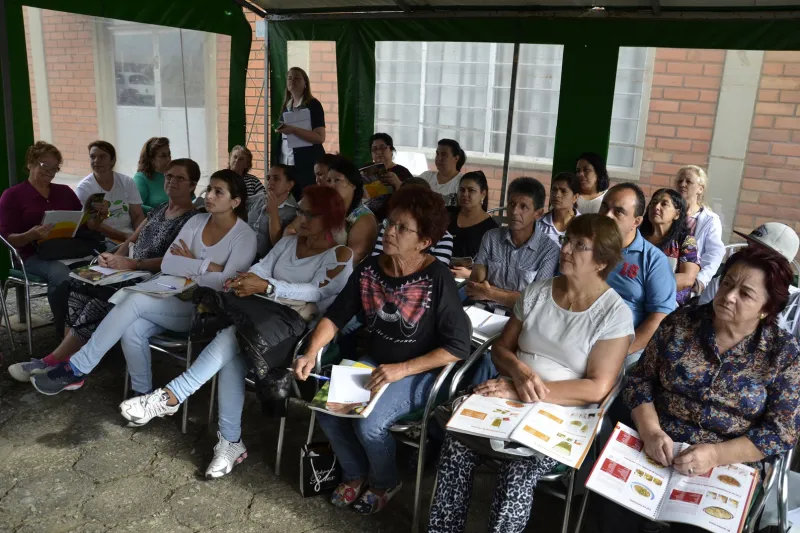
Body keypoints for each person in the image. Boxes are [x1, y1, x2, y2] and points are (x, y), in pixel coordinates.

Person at [118, 186, 353, 478]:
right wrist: (248, 280)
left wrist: (268, 287)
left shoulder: (340, 255)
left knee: (232, 336)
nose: (300, 217)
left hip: (294, 332)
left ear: (330, 218)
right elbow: (262, 268)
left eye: (309, 213)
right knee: (235, 342)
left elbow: (317, 292)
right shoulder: (288, 243)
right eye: (300, 211)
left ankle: (171, 396)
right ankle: (230, 441)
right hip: (260, 319)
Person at [428, 214, 634, 533]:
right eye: (568, 240)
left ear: (601, 261)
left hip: (565, 412)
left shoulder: (614, 314)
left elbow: (596, 388)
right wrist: (518, 371)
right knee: (456, 443)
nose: (566, 249)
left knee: (518, 471)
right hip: (510, 395)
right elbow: (501, 349)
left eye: (580, 245)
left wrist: (518, 389)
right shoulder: (538, 292)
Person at [293, 186, 471, 515]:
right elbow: (335, 317)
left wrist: (401, 370)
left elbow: (458, 346)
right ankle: (355, 473)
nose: (390, 231)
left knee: (368, 423)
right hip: (375, 362)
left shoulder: (438, 278)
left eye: (403, 228)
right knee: (328, 409)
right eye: (391, 223)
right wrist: (309, 351)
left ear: (424, 242)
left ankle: (384, 481)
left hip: (421, 371)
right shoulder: (370, 269)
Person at [602, 246, 800, 533]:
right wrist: (651, 431)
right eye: (728, 283)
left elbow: (781, 431)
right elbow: (640, 380)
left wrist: (715, 456)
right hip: (658, 446)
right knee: (614, 511)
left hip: (727, 461)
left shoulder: (783, 353)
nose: (729, 296)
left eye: (745, 294)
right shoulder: (681, 322)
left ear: (766, 308)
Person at [30, 170, 257, 395]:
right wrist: (206, 266)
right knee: (132, 328)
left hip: (204, 309)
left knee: (134, 299)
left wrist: (191, 262)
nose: (209, 196)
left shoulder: (244, 236)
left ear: (235, 201)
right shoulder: (197, 221)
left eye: (218, 192)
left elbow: (227, 283)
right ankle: (141, 394)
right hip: (170, 294)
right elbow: (168, 263)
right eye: (209, 189)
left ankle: (78, 367)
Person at [8, 159, 200, 382]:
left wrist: (133, 264)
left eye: (180, 178)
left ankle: (54, 361)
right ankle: (69, 360)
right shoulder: (159, 210)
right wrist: (114, 257)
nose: (172, 182)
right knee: (79, 285)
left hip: (156, 280)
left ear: (193, 185)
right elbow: (130, 240)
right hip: (131, 271)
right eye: (168, 176)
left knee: (101, 299)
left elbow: (175, 261)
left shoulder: (193, 219)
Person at [0, 142, 84, 338]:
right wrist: (31, 235)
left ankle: (89, 324)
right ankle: (65, 332)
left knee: (100, 268)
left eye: (55, 168)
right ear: (30, 164)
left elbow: (82, 222)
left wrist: (96, 216)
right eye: (46, 166)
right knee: (61, 275)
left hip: (67, 249)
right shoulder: (13, 196)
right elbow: (6, 238)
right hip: (31, 256)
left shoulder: (64, 191)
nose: (51, 172)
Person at [599, 183, 677, 366]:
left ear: (636, 221)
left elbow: (659, 317)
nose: (607, 215)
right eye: (604, 207)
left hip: (625, 345)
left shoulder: (654, 260)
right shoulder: (585, 246)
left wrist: (621, 351)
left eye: (618, 211)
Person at [467, 177, 560, 310]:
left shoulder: (549, 250)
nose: (515, 212)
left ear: (538, 214)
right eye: (511, 204)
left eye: (524, 207)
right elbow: (474, 286)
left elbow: (535, 303)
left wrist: (490, 293)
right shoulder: (491, 237)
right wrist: (516, 296)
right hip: (482, 310)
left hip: (519, 320)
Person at [698, 222, 800, 333]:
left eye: (759, 251)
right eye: (749, 246)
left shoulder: (795, 303)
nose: (750, 254)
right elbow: (699, 321)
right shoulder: (723, 283)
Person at [371, 178, 455, 265]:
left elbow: (436, 273)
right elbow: (375, 264)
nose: (390, 232)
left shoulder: (444, 237)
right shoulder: (388, 226)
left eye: (403, 228)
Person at [75, 141, 145, 243]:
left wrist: (140, 237)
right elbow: (93, 225)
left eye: (102, 157)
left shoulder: (126, 182)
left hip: (130, 236)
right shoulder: (85, 187)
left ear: (112, 160)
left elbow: (137, 215)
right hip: (102, 240)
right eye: (92, 157)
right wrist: (125, 237)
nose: (96, 161)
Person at [640, 188, 700, 306]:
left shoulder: (686, 241)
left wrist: (647, 285)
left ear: (677, 214)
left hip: (668, 301)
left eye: (664, 204)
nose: (656, 207)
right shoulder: (637, 236)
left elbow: (688, 278)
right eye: (653, 202)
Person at [274, 67, 326, 198]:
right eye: (290, 78)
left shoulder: (313, 105)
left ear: (305, 83)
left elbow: (319, 137)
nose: (293, 81)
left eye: (297, 78)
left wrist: (294, 130)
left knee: (306, 200)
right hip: (286, 162)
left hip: (306, 164)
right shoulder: (286, 105)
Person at [675, 165, 724, 295]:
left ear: (700, 189)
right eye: (680, 181)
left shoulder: (710, 220)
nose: (683, 184)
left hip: (690, 283)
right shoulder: (669, 213)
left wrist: (700, 281)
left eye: (689, 181)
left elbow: (714, 254)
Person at [322, 157, 378, 263]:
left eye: (337, 180)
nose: (330, 185)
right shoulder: (326, 209)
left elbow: (351, 259)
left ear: (353, 185)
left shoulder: (364, 218)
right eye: (328, 180)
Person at [448, 171, 498, 280]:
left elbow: (494, 270)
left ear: (483, 194)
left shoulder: (491, 229)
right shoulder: (447, 216)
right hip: (441, 274)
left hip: (469, 283)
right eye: (462, 190)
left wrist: (469, 274)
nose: (465, 194)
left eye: (471, 190)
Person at [247, 164, 298, 258]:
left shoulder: (293, 212)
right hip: (240, 249)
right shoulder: (260, 198)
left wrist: (273, 213)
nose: (270, 182)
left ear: (289, 185)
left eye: (276, 178)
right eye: (268, 178)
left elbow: (278, 245)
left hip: (262, 260)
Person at [362, 132, 414, 220]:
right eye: (374, 149)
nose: (378, 152)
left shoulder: (402, 172)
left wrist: (398, 184)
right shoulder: (365, 169)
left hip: (392, 218)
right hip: (366, 216)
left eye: (382, 148)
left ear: (391, 150)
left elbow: (412, 199)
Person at [537, 171, 581, 246]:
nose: (557, 194)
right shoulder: (539, 224)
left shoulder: (584, 225)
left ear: (575, 197)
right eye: (554, 190)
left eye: (563, 191)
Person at [419, 139, 466, 207]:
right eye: (437, 154)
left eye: (444, 154)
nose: (439, 158)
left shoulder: (462, 181)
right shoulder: (426, 176)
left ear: (456, 158)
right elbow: (407, 190)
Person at [133, 137, 172, 213]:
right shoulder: (141, 178)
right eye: (163, 156)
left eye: (169, 155)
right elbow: (136, 205)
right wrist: (160, 213)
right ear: (151, 159)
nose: (168, 159)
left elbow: (191, 199)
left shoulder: (174, 176)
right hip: (154, 222)